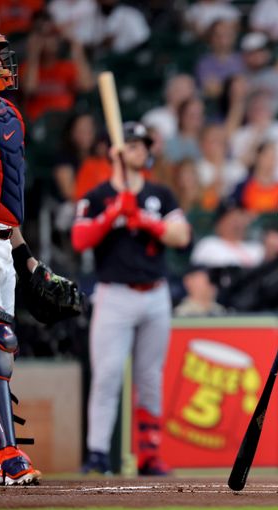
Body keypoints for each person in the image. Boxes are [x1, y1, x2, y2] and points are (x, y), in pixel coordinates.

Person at [0, 25, 82, 485]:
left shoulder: (11, 116)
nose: (1, 63)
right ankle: (4, 455)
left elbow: (6, 193)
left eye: (2, 54)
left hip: (2, 240)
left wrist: (26, 256)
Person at [72, 122, 191, 475]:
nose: (138, 151)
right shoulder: (97, 196)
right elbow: (80, 240)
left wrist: (141, 218)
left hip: (154, 293)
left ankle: (149, 454)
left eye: (141, 145)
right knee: (107, 375)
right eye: (131, 145)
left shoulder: (159, 194)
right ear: (115, 151)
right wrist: (113, 214)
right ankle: (97, 453)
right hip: (114, 295)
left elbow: (181, 235)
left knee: (150, 377)